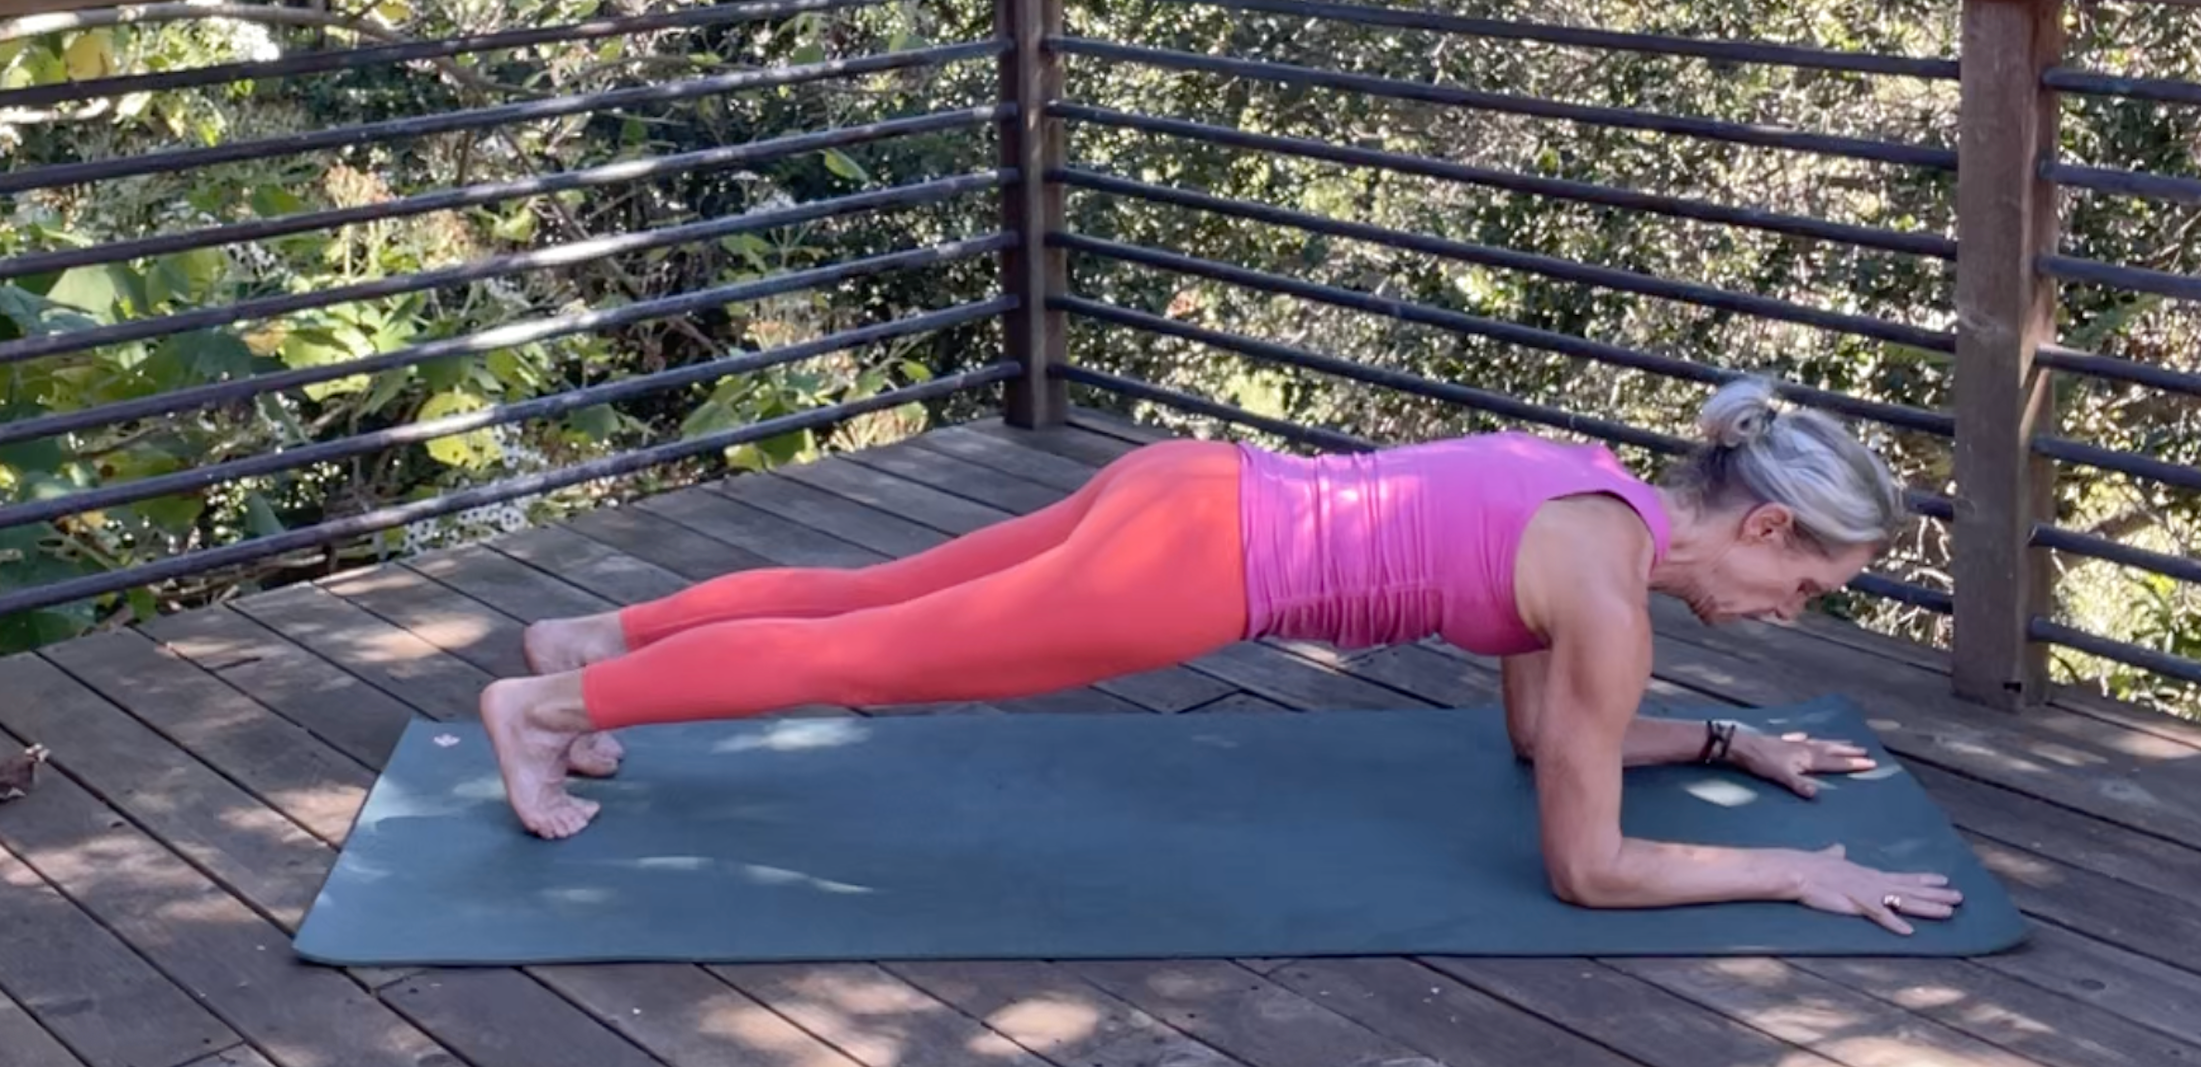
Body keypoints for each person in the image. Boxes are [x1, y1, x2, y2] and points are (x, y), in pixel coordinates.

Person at [479, 377, 1963, 936]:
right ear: (1766, 525)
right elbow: (1585, 864)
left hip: (1198, 482)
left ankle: (590, 634)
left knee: (876, 590)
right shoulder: (1617, 606)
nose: (1797, 611)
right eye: (1814, 583)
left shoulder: (1595, 500)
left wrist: (1728, 746)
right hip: (1199, 567)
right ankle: (549, 702)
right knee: (865, 663)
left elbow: (1541, 740)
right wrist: (1800, 872)